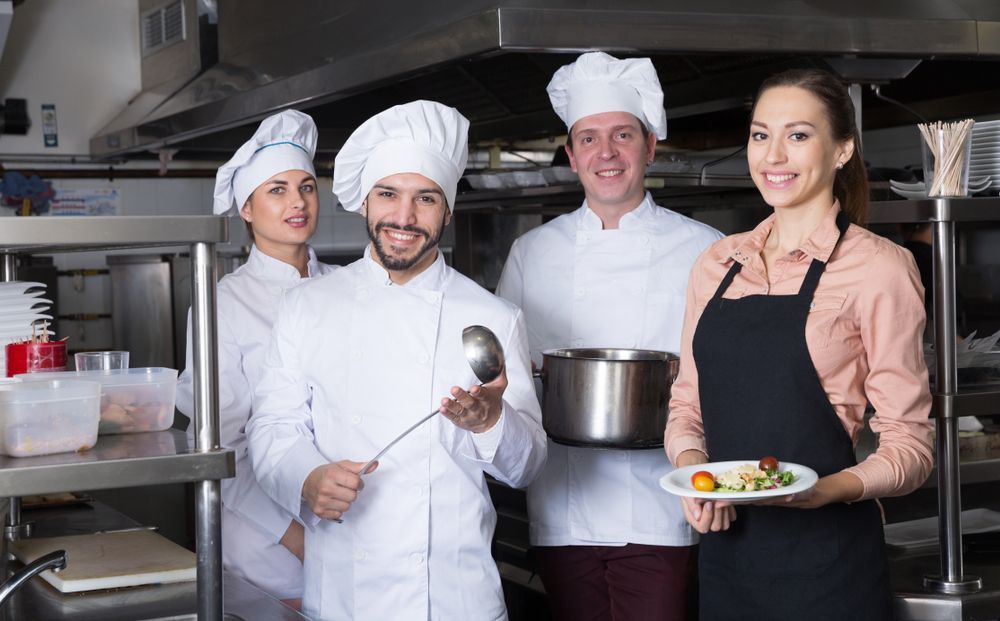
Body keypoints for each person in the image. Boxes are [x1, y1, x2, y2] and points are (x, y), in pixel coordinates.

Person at [245, 100, 547, 621]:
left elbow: (528, 467)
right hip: (345, 594)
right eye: (388, 194)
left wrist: (492, 421)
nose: (404, 218)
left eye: (425, 199)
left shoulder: (493, 315)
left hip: (453, 599)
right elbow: (272, 426)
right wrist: (307, 477)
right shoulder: (306, 306)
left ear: (448, 210)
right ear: (365, 201)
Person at [664, 68, 934, 620]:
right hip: (728, 561)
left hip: (829, 566)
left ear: (842, 150)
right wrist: (697, 475)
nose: (774, 155)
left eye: (799, 135)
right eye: (761, 135)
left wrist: (825, 491)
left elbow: (911, 447)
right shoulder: (716, 263)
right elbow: (687, 405)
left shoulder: (879, 267)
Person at [496, 51, 722, 621]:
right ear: (571, 157)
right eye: (589, 138)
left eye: (623, 135)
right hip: (564, 503)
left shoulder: (706, 249)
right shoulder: (532, 252)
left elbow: (728, 372)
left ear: (649, 146)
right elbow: (510, 374)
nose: (607, 153)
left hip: (666, 502)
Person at [176, 109, 336, 609]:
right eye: (277, 190)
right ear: (246, 209)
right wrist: (296, 536)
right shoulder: (223, 303)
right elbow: (222, 447)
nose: (297, 202)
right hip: (268, 547)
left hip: (352, 521)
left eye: (306, 187)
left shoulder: (350, 288)